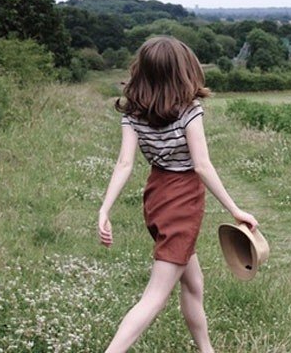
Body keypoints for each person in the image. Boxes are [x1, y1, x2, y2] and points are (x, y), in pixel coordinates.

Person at [97, 35, 258, 353]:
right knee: (154, 297)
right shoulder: (189, 111)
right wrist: (235, 210)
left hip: (157, 198)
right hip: (182, 203)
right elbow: (202, 166)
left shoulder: (134, 112)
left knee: (194, 283)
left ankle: (206, 350)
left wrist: (105, 208)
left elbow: (125, 163)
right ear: (182, 72)